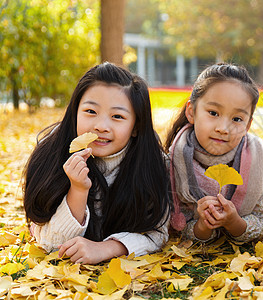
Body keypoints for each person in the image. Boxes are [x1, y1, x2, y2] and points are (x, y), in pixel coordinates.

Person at [23, 62, 170, 264]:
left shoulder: (152, 163)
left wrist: (106, 248)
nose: (101, 126)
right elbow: (51, 244)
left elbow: (157, 233)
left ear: (136, 126)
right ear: (75, 111)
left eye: (117, 116)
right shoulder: (52, 154)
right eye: (91, 111)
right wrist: (78, 189)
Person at [165, 63, 263, 243]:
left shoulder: (262, 164)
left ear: (247, 125)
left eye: (237, 119)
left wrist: (234, 222)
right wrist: (203, 225)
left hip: (256, 153)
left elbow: (262, 221)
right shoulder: (173, 164)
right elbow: (178, 225)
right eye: (213, 113)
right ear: (191, 112)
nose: (223, 129)